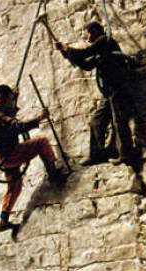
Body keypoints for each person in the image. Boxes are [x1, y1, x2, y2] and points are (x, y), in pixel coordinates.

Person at [50, 19, 134, 166]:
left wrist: (66, 48)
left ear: (94, 32)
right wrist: (66, 52)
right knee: (96, 121)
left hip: (117, 88)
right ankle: (97, 154)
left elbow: (85, 53)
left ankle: (126, 155)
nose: (86, 38)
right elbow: (88, 64)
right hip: (109, 92)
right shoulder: (101, 49)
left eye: (87, 34)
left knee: (119, 121)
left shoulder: (105, 41)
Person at [0, 84, 67, 232]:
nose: (11, 102)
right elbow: (17, 126)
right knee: (42, 143)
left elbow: (9, 112)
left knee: (15, 186)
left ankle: (3, 220)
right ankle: (54, 174)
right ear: (1, 98)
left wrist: (15, 98)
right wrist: (39, 119)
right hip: (9, 155)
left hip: (3, 155)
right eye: (9, 100)